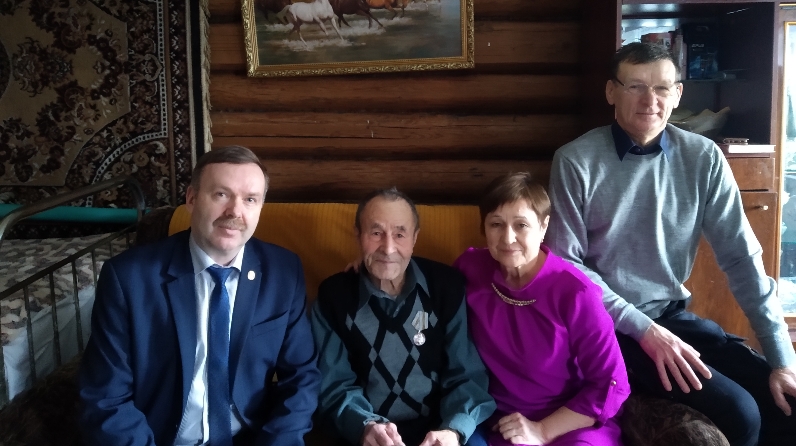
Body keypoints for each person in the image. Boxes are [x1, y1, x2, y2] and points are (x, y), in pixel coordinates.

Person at [546, 41, 796, 446]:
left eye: (662, 88)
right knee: (740, 412)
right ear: (611, 91)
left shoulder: (704, 158)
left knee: (785, 402)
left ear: (678, 94)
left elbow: (742, 259)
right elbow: (567, 265)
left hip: (673, 316)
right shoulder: (576, 160)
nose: (650, 101)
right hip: (609, 328)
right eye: (635, 86)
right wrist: (644, 330)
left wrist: (783, 358)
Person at [79, 146, 321, 446]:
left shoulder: (283, 271)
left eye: (250, 199)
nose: (235, 212)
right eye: (221, 194)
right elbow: (106, 396)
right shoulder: (128, 278)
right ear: (192, 199)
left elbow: (301, 377)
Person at [453, 173, 630, 446]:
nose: (508, 238)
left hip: (571, 422)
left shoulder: (576, 293)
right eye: (496, 224)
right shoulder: (470, 269)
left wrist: (543, 430)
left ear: (543, 226)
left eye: (521, 225)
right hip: (501, 423)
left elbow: (612, 384)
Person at [311, 188, 496, 446]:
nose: (388, 248)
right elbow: (334, 384)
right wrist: (365, 426)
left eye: (400, 234)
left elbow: (466, 374)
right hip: (364, 432)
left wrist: (454, 430)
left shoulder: (446, 287)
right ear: (358, 235)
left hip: (442, 426)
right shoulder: (334, 296)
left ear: (414, 238)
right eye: (376, 233)